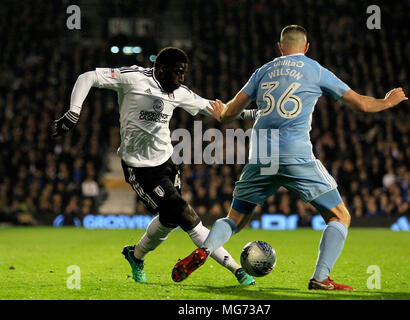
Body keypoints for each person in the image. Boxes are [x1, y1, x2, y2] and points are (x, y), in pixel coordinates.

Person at [172, 25, 408, 290]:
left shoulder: (262, 71)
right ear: (306, 48)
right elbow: (363, 105)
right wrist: (387, 101)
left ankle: (205, 250)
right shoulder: (316, 70)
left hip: (261, 152)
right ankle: (320, 278)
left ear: (280, 47)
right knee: (339, 216)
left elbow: (228, 114)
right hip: (294, 153)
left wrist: (221, 110)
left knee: (235, 219)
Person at [50, 47, 258, 286]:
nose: (181, 78)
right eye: (177, 73)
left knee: (170, 219)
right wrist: (73, 112)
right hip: (140, 169)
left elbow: (218, 111)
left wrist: (253, 113)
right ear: (161, 69)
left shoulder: (179, 92)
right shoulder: (133, 78)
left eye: (184, 73)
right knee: (185, 213)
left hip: (167, 163)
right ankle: (236, 270)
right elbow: (87, 77)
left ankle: (135, 255)